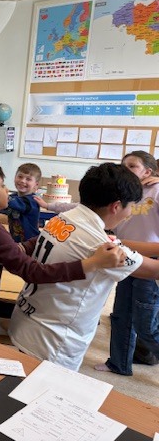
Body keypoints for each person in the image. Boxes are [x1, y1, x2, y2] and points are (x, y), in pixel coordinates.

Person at [0, 161, 126, 345]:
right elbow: (33, 272)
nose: (7, 190)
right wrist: (92, 263)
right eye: (2, 185)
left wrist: (46, 235)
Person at [9, 162, 159, 371]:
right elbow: (153, 270)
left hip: (28, 320)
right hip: (54, 340)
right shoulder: (102, 247)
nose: (129, 214)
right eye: (130, 208)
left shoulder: (64, 218)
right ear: (116, 206)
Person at [94, 151, 159, 374]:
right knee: (121, 315)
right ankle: (119, 363)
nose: (125, 169)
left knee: (146, 324)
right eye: (124, 165)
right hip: (126, 257)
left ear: (148, 171)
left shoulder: (156, 190)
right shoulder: (124, 191)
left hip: (150, 261)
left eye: (132, 166)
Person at [0, 163, 42, 242]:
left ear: (36, 185)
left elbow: (14, 203)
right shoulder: (14, 197)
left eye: (28, 179)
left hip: (30, 242)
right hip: (16, 240)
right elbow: (1, 207)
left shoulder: (32, 201)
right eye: (20, 177)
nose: (22, 181)